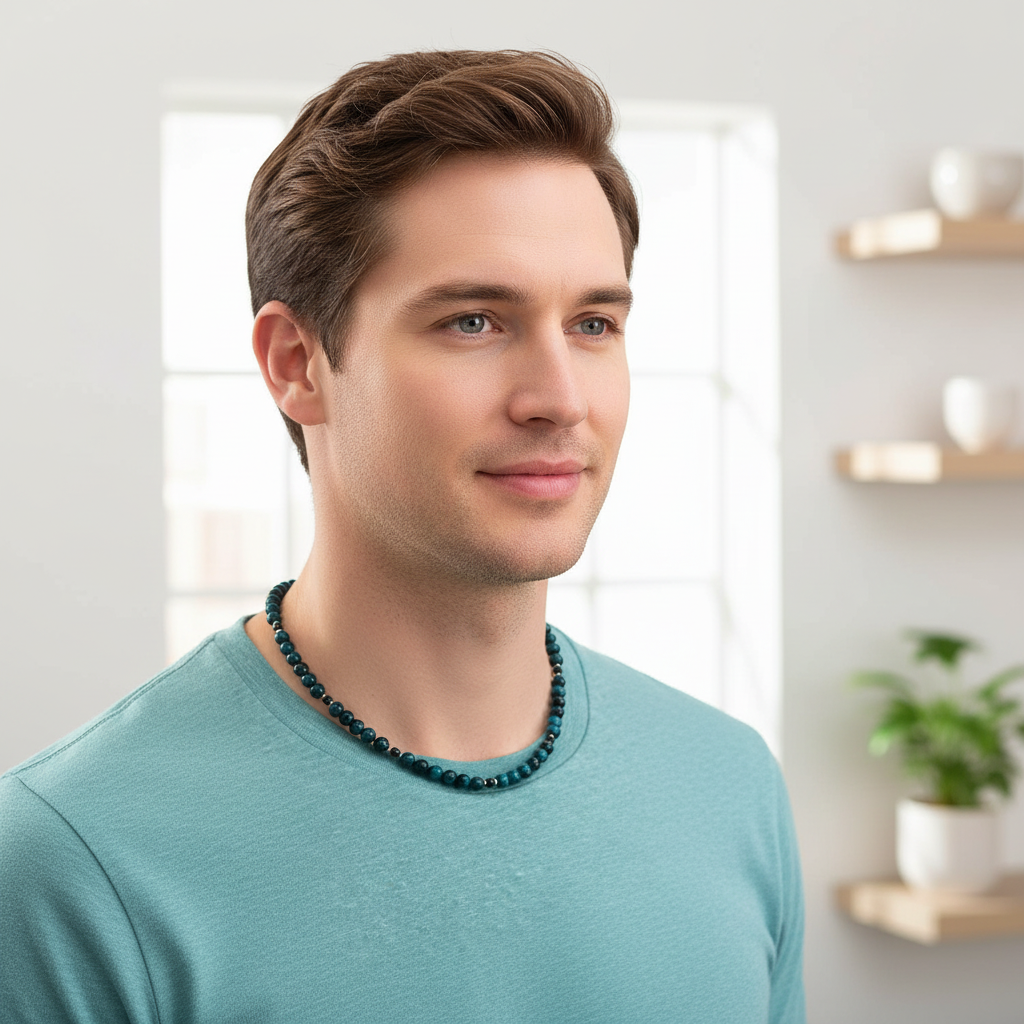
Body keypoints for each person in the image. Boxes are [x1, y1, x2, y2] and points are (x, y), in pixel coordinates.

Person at [0, 49, 805, 1022]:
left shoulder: (725, 786)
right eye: (473, 321)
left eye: (593, 324)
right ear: (296, 364)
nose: (558, 399)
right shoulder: (74, 858)